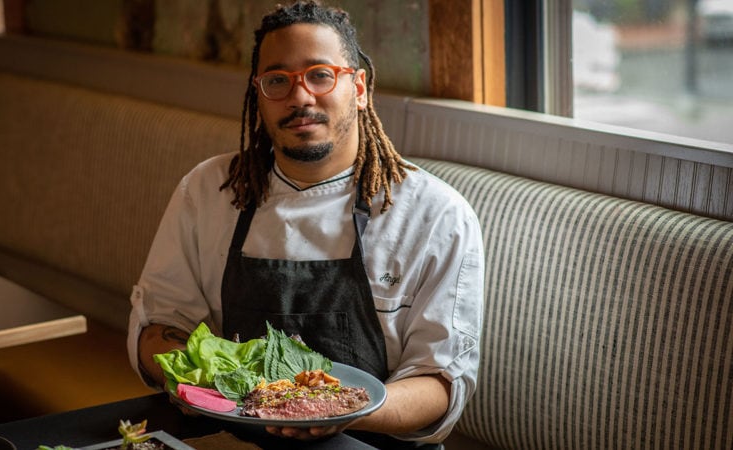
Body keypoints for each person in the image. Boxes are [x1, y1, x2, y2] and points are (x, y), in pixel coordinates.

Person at [127, 1, 484, 447]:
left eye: (320, 75)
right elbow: (160, 327)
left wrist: (339, 409)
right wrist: (204, 383)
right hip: (231, 434)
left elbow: (440, 382)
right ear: (258, 94)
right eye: (278, 81)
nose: (300, 97)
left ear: (359, 87)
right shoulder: (208, 190)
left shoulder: (435, 214)